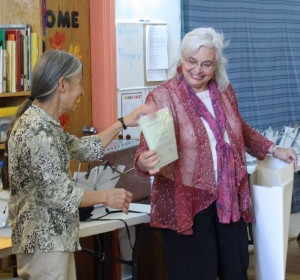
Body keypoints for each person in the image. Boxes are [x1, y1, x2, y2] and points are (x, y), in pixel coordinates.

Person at [134, 27, 298, 280]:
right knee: (197, 273)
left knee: (235, 270)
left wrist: (274, 149)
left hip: (227, 195)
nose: (197, 70)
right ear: (182, 58)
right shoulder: (163, 96)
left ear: (216, 65)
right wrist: (145, 163)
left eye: (206, 64)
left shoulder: (223, 91)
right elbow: (146, 151)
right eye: (192, 61)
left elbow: (239, 129)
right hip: (189, 201)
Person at [1, 50, 154, 280]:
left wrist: (123, 122)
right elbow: (61, 195)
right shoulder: (37, 130)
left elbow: (85, 148)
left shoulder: (46, 124)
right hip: (44, 244)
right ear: (62, 85)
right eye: (79, 83)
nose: (82, 91)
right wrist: (107, 196)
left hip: (53, 242)